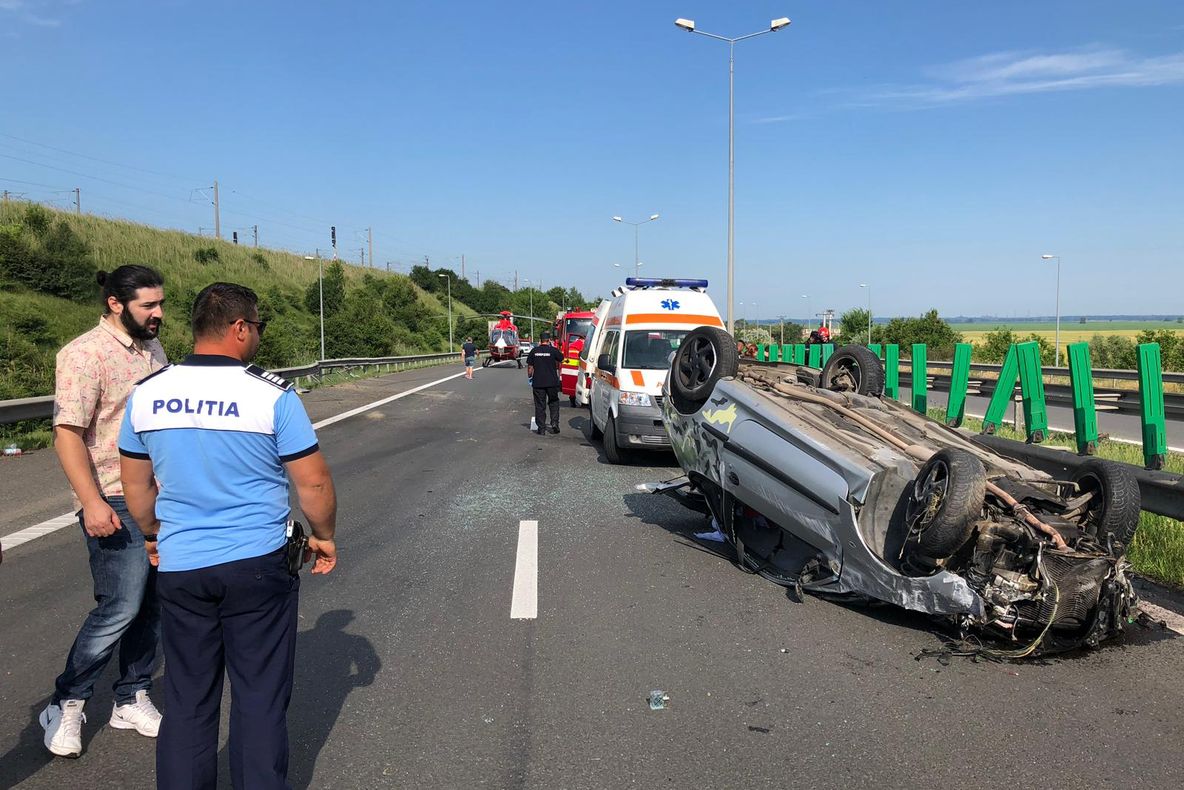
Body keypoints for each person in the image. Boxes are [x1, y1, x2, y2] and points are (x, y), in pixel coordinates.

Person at [118, 282, 338, 790]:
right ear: (239, 328)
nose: (259, 335)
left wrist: (153, 534)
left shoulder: (147, 394)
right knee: (259, 698)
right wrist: (324, 535)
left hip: (181, 565)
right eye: (258, 326)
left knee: (187, 701)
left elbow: (136, 485)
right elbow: (314, 483)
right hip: (257, 564)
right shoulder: (271, 395)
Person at [40, 265, 167, 759]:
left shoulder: (153, 350)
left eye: (160, 303)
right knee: (119, 606)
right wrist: (91, 502)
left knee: (152, 604)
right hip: (112, 496)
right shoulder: (83, 354)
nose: (158, 313)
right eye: (148, 305)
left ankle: (131, 696)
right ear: (116, 303)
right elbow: (67, 433)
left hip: (157, 495)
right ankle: (67, 701)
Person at [526, 331, 564, 435]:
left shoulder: (534, 351)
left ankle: (541, 428)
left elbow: (530, 367)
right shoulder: (553, 350)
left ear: (540, 341)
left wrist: (530, 376)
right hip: (552, 382)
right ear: (549, 340)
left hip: (538, 383)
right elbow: (561, 359)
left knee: (540, 405)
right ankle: (554, 423)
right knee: (554, 402)